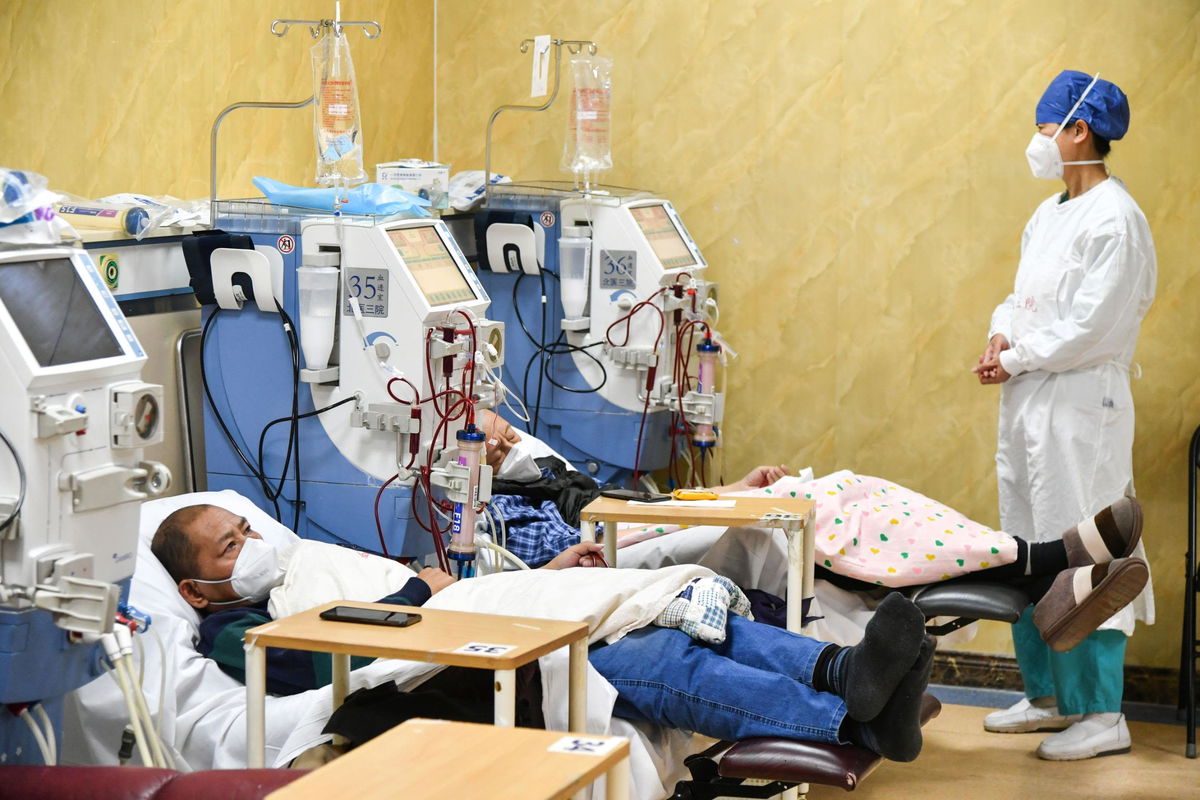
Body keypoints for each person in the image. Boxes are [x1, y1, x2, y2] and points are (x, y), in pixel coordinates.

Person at [152, 503, 936, 762]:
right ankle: (850, 720)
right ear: (194, 587)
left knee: (672, 612)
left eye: (247, 531)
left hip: (479, 621)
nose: (251, 548)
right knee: (652, 652)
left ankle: (843, 673)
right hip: (443, 667)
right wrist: (414, 587)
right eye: (229, 548)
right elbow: (320, 658)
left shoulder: (306, 565)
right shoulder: (236, 630)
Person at [480, 409, 1149, 652]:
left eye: (511, 433)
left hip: (640, 528)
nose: (509, 444)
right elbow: (497, 594)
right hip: (615, 555)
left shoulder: (541, 476)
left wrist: (735, 491)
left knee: (843, 496)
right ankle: (1042, 565)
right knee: (812, 513)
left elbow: (635, 501)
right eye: (492, 442)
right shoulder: (480, 518)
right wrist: (561, 562)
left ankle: (1038, 579)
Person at [971, 70, 1156, 760]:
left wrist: (1016, 358)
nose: (1038, 141)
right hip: (1031, 407)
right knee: (1027, 542)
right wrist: (999, 335)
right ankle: (1047, 696)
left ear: (1081, 130)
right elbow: (1022, 299)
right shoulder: (1049, 215)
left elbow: (1091, 329)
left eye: (1045, 128)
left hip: (1082, 408)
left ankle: (1103, 713)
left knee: (1087, 553)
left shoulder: (1116, 220)